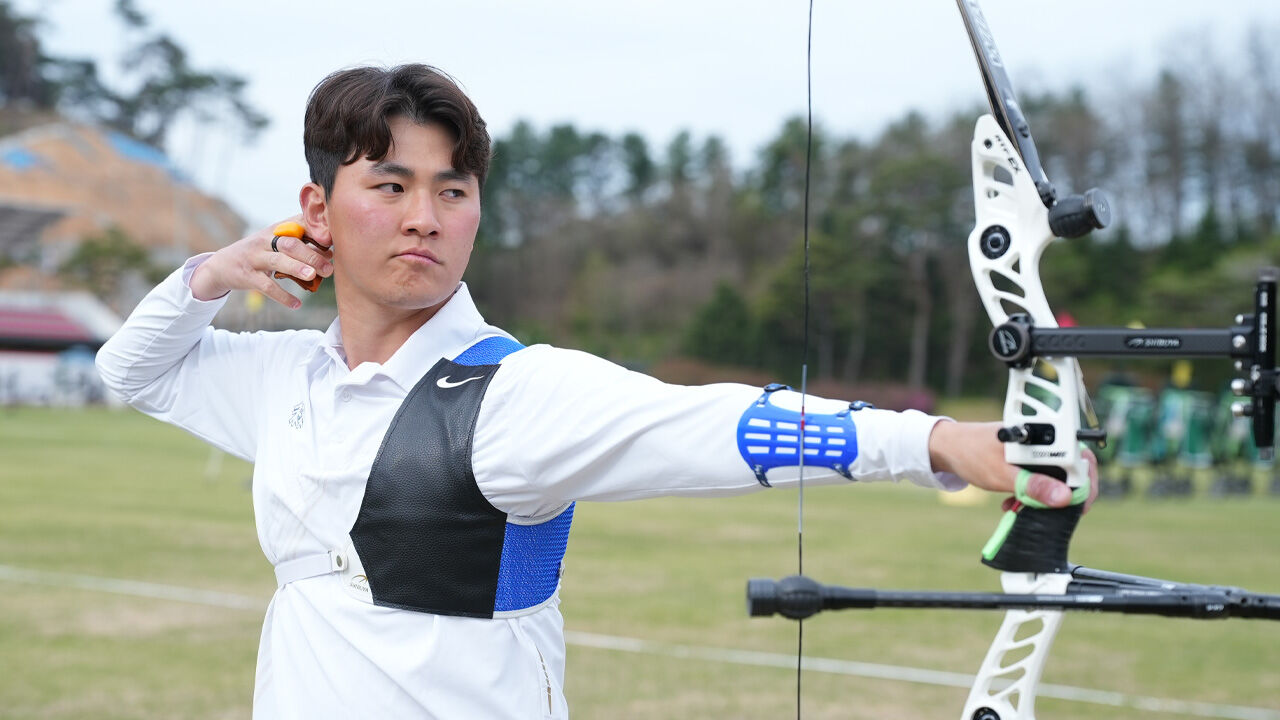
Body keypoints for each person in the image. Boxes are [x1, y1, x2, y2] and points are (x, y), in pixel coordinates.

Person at [96, 64, 1097, 720]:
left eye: (452, 190)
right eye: (389, 186)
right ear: (315, 209)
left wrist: (936, 443)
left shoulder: (512, 395)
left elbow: (710, 424)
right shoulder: (286, 380)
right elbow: (129, 370)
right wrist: (211, 276)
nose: (424, 218)